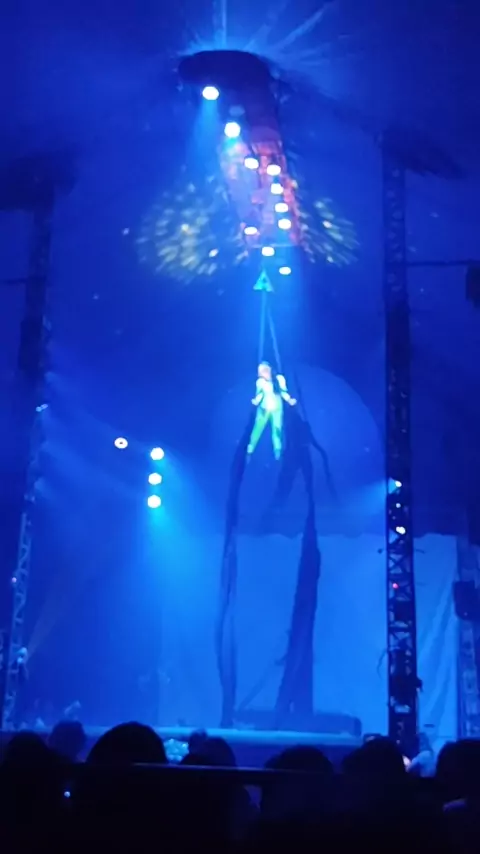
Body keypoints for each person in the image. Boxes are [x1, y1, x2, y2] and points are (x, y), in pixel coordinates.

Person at [247, 361, 296, 460]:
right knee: (257, 428)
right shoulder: (260, 382)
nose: (261, 374)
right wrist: (256, 401)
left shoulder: (279, 379)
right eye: (260, 371)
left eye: (263, 371)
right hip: (263, 409)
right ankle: (250, 448)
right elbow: (259, 394)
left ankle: (277, 450)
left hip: (276, 409)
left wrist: (289, 400)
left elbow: (283, 392)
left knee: (277, 429)